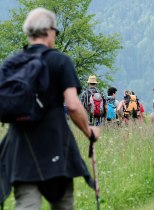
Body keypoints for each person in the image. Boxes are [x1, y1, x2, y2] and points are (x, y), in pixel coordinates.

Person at [0, 7, 100, 210]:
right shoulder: (60, 61)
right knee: (62, 204)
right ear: (49, 31)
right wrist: (89, 131)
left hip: (21, 147)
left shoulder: (12, 63)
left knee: (26, 205)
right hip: (56, 145)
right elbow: (72, 105)